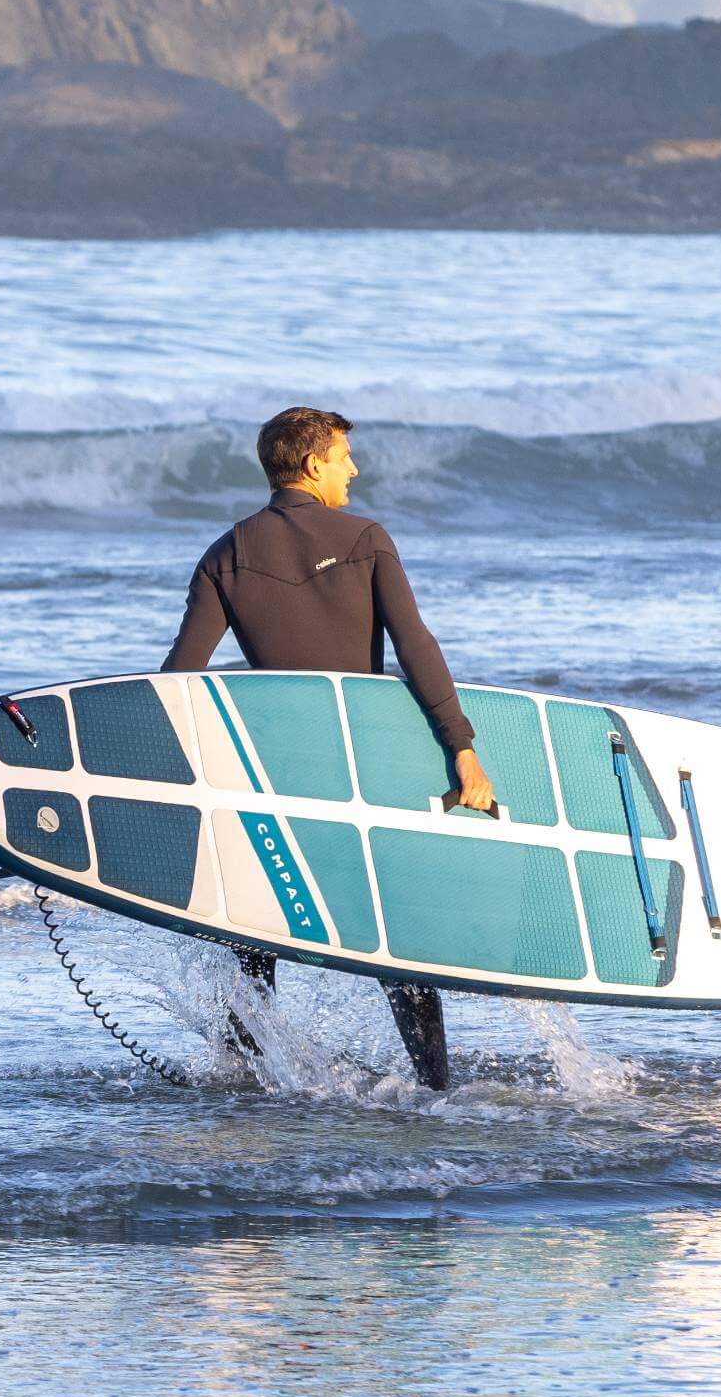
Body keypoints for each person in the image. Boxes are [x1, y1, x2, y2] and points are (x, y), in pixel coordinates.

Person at [162, 406, 493, 1089]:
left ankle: (244, 1081)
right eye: (344, 457)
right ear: (314, 464)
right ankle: (434, 1085)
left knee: (254, 931)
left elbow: (180, 680)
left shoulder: (224, 554)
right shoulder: (365, 537)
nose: (355, 469)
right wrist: (461, 747)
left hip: (265, 768)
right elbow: (415, 648)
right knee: (392, 933)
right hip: (355, 764)